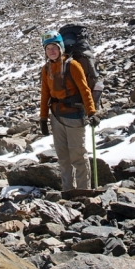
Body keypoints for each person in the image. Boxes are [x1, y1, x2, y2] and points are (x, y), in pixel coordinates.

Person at [38, 30, 99, 191]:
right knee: (63, 158)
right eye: (48, 48)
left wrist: (92, 112)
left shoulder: (73, 65)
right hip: (56, 117)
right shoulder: (46, 69)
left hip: (74, 116)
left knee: (78, 156)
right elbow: (45, 95)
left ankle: (83, 191)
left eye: (54, 47)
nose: (51, 51)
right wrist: (43, 119)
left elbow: (85, 90)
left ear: (61, 48)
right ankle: (68, 191)